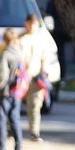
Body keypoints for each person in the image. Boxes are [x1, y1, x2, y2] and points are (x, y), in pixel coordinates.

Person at [0, 27, 26, 150]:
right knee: (15, 119)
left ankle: (2, 149)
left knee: (1, 119)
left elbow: (3, 76)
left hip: (5, 91)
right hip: (16, 91)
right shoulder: (19, 54)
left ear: (4, 40)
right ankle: (18, 149)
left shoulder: (5, 54)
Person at [20, 14, 51, 142]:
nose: (32, 26)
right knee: (14, 105)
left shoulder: (41, 40)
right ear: (26, 23)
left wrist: (44, 73)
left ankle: (34, 132)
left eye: (35, 24)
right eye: (30, 23)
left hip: (35, 78)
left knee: (35, 106)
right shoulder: (20, 39)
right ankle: (11, 129)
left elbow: (45, 58)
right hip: (21, 78)